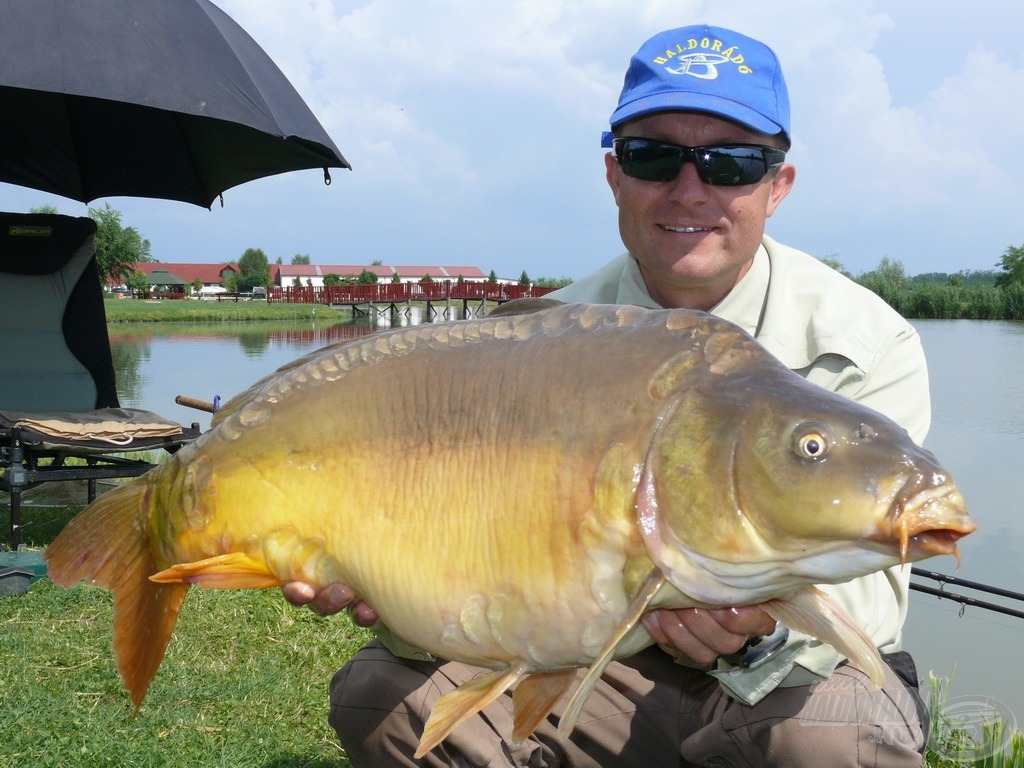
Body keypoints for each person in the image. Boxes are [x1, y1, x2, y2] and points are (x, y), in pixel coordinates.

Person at [284, 24, 932, 767]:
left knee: (833, 736)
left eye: (732, 163)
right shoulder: (539, 340)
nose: (690, 190)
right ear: (613, 175)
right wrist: (387, 589)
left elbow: (880, 595)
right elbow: (480, 563)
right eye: (654, 156)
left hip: (785, 683)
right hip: (597, 664)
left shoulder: (865, 342)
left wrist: (761, 632)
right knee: (384, 693)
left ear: (777, 186)